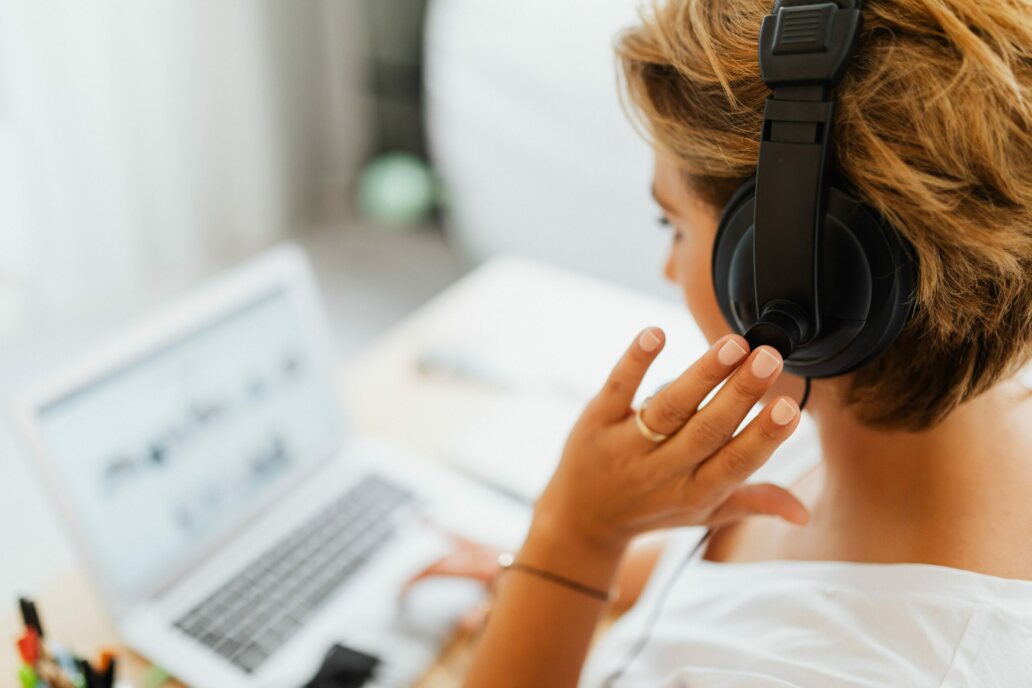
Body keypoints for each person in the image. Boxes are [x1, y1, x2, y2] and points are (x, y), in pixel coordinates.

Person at [410, 0, 1032, 684]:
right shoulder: (884, 414)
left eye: (671, 224)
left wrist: (573, 538)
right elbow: (753, 566)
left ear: (799, 270)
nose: (669, 268)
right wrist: (553, 576)